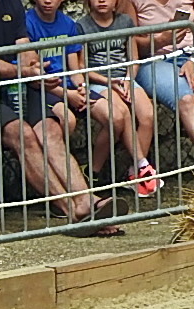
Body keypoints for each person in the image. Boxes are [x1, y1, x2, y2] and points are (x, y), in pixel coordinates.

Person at [0, 0, 113, 227]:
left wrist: (36, 68)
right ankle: (72, 210)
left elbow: (24, 47)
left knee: (50, 129)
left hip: (11, 84)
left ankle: (87, 200)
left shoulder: (10, 3)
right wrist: (24, 72)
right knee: (21, 133)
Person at [27, 0, 153, 194]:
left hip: (72, 87)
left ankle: (92, 174)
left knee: (116, 117)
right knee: (65, 122)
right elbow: (33, 75)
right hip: (45, 89)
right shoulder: (27, 23)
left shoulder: (67, 24)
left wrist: (82, 87)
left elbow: (75, 69)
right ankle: (59, 186)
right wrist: (69, 94)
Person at [121, 0, 194, 176]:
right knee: (187, 99)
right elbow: (129, 40)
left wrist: (192, 58)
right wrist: (161, 40)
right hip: (153, 60)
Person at [81, 0, 161, 194]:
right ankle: (141, 167)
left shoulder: (125, 22)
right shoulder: (82, 26)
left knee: (148, 115)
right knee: (121, 114)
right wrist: (109, 82)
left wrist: (127, 79)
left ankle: (134, 173)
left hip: (124, 78)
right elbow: (82, 66)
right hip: (99, 81)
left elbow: (133, 59)